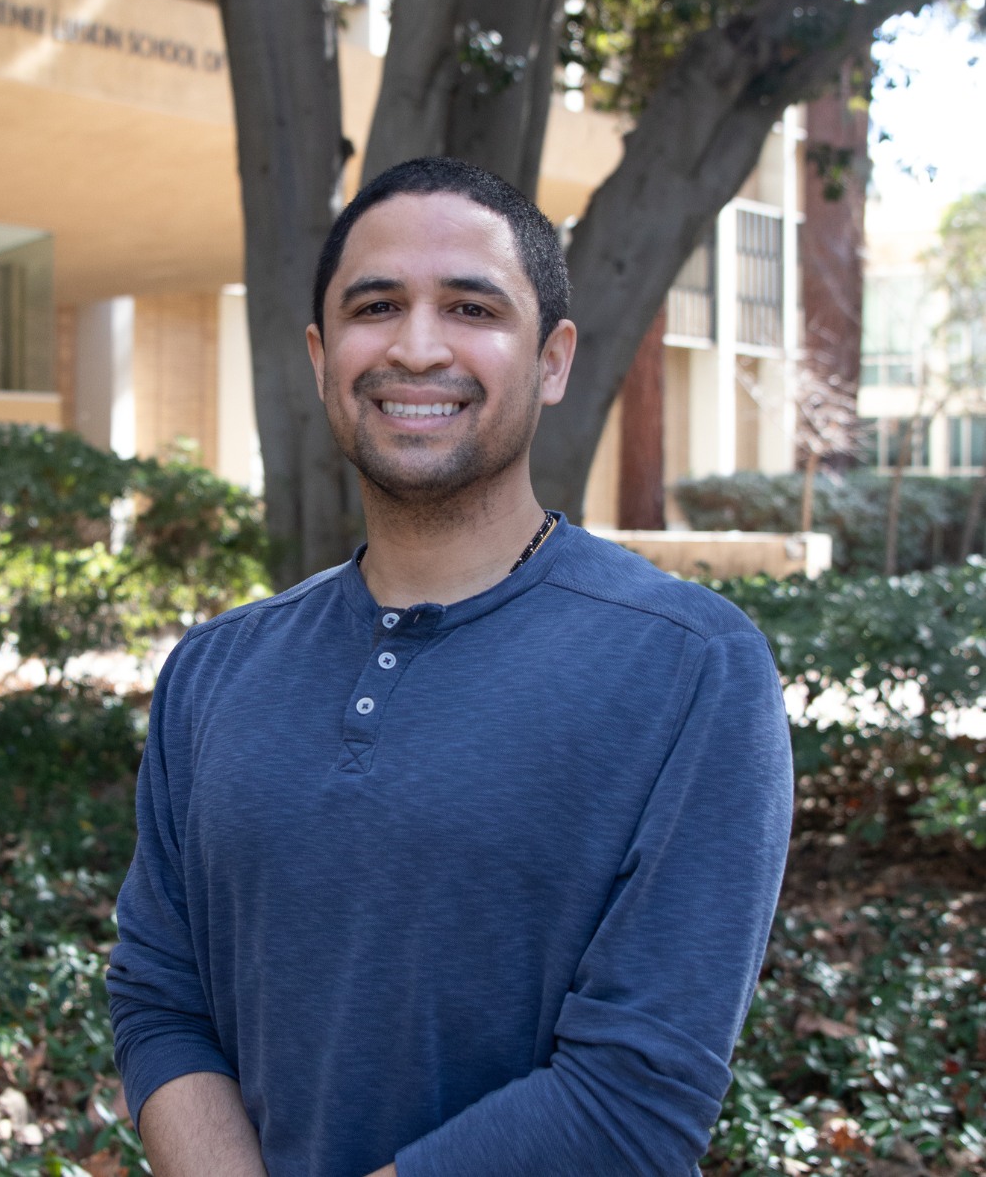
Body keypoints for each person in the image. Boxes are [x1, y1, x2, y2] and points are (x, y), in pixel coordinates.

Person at [107, 157, 794, 1177]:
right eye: (376, 306)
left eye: (472, 308)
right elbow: (162, 998)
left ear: (553, 360)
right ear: (320, 352)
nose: (417, 347)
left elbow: (636, 1098)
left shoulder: (690, 665)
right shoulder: (216, 669)